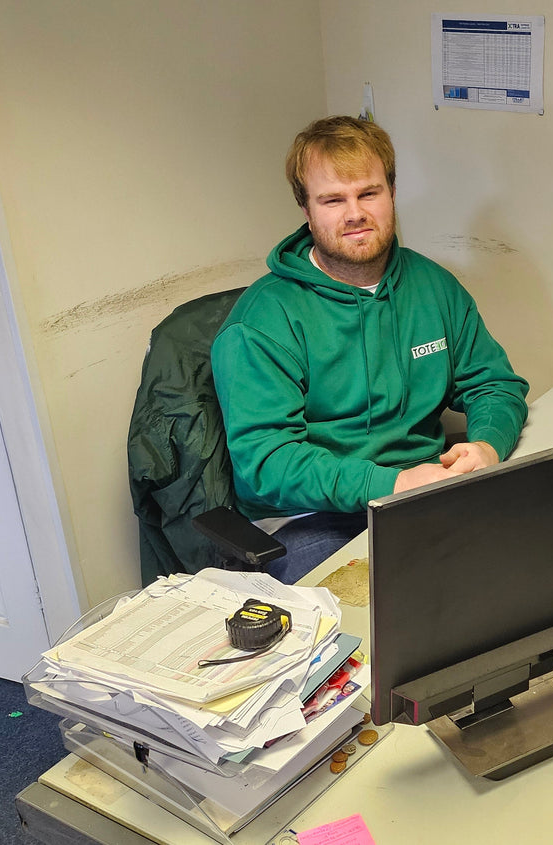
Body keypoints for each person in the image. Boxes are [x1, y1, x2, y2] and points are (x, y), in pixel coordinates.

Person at [211, 116, 529, 583]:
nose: (354, 213)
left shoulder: (432, 286)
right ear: (306, 210)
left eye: (368, 193)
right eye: (333, 200)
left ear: (392, 193)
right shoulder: (262, 321)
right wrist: (391, 483)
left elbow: (495, 384)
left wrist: (486, 444)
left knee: (532, 559)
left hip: (422, 494)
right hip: (312, 520)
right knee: (419, 604)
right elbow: (268, 463)